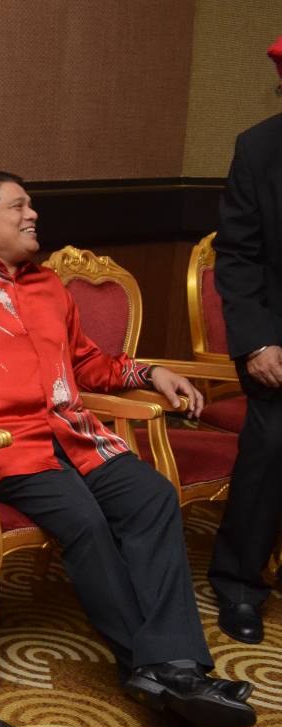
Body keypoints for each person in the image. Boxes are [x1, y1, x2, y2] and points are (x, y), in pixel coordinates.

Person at [0, 172, 256, 727]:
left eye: (32, 206)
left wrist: (150, 372)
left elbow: (89, 364)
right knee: (84, 521)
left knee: (151, 495)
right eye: (17, 206)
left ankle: (171, 668)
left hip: (76, 435)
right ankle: (164, 670)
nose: (33, 215)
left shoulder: (49, 286)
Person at [208, 36, 282, 646]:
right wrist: (257, 343)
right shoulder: (258, 149)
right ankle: (237, 584)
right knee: (271, 443)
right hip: (277, 337)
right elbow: (237, 256)